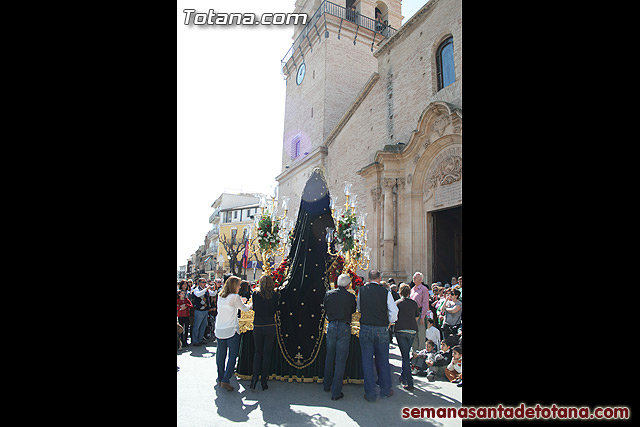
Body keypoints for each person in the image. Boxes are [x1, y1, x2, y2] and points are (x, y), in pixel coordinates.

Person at [357, 269, 398, 402]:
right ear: (379, 279)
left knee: (367, 362)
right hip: (381, 328)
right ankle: (385, 390)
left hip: (366, 327)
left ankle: (370, 393)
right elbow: (393, 310)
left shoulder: (362, 291)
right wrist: (391, 322)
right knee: (383, 361)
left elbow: (359, 308)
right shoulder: (385, 292)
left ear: (368, 279)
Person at [214, 275, 253, 392]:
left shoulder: (220, 295)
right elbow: (245, 309)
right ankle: (226, 379)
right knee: (233, 355)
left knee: (220, 354)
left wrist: (240, 301)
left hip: (220, 328)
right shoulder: (234, 297)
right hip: (231, 329)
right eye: (239, 285)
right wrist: (252, 303)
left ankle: (221, 377)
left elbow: (232, 305)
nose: (240, 287)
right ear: (234, 286)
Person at [322, 273, 357, 401]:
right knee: (340, 360)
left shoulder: (329, 294)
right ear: (348, 285)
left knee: (329, 356)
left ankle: (327, 384)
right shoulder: (350, 296)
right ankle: (336, 391)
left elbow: (325, 307)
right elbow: (353, 311)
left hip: (331, 326)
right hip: (344, 326)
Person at [250, 274, 280, 391]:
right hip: (270, 325)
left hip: (258, 325)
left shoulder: (255, 294)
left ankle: (254, 378)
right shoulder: (275, 294)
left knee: (258, 353)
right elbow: (276, 308)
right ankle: (264, 381)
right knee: (267, 354)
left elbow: (255, 308)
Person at [394, 283, 419, 391]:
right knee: (406, 353)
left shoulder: (397, 303)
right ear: (409, 292)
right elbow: (416, 317)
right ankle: (404, 375)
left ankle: (409, 382)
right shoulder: (413, 303)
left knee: (404, 356)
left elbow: (393, 317)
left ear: (400, 292)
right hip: (412, 330)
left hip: (401, 330)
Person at [191, 278, 217, 346]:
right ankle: (195, 340)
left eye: (205, 282)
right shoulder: (197, 289)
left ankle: (200, 339)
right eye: (203, 282)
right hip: (199, 310)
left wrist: (215, 287)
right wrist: (206, 289)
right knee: (197, 326)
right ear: (199, 283)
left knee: (203, 326)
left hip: (205, 310)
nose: (205, 283)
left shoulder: (206, 289)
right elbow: (198, 294)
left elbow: (213, 294)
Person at [409, 272, 430, 352]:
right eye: (413, 277)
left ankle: (420, 356)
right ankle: (414, 354)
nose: (413, 278)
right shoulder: (412, 290)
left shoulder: (424, 289)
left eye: (416, 277)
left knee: (421, 336)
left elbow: (425, 304)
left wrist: (422, 317)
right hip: (412, 315)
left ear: (421, 279)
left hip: (420, 313)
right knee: (414, 335)